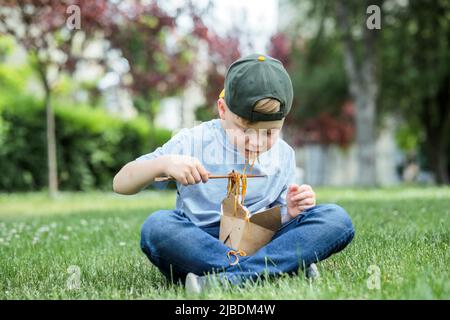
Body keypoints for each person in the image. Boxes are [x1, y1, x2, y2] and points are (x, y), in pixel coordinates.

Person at [113, 54, 355, 294]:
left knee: (336, 218)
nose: (256, 142)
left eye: (270, 133)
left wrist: (290, 211)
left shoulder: (284, 155)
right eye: (245, 130)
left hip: (261, 237)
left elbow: (277, 219)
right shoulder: (193, 141)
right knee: (158, 227)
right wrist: (164, 163)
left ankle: (229, 278)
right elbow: (120, 183)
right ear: (222, 110)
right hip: (201, 241)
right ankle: (282, 268)